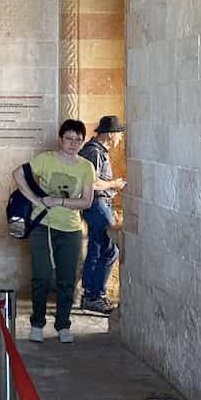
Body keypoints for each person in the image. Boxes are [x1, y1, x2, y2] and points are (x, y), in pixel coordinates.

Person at [12, 120, 96, 343]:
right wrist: (35, 199)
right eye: (69, 138)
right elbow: (18, 173)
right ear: (61, 139)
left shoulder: (86, 167)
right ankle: (37, 323)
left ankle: (63, 324)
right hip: (43, 225)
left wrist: (58, 200)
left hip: (70, 228)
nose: (73, 143)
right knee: (41, 276)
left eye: (78, 139)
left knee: (67, 278)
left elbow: (87, 202)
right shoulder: (46, 159)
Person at [78, 115, 126, 314]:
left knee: (98, 248)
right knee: (110, 250)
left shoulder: (96, 151)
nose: (120, 139)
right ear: (109, 134)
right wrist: (114, 184)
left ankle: (91, 295)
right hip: (97, 205)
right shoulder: (94, 152)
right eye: (119, 134)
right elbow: (92, 183)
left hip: (99, 204)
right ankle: (94, 295)